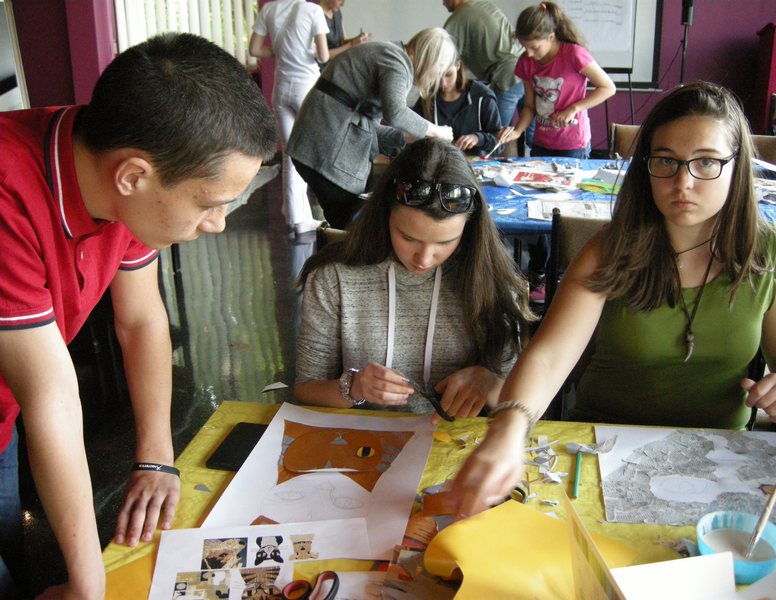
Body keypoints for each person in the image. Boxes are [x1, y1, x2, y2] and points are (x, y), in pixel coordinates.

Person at [0, 33, 276, 598]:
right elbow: (51, 394)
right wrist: (88, 584)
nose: (219, 223)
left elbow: (142, 320)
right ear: (132, 175)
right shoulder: (8, 192)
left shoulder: (120, 166)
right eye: (209, 203)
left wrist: (156, 457)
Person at [450, 81, 776, 516]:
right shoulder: (611, 248)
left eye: (706, 162)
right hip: (603, 453)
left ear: (737, 165)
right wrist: (508, 428)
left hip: (724, 461)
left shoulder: (767, 250)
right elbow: (550, 355)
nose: (683, 182)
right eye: (665, 161)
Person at [294, 138, 533, 418]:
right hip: (364, 435)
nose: (424, 259)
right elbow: (306, 388)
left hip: (458, 437)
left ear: (469, 229)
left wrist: (490, 384)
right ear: (385, 215)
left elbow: (522, 399)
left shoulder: (493, 283)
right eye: (408, 238)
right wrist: (354, 387)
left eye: (445, 242)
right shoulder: (333, 278)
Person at [287, 27, 456, 229]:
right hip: (324, 147)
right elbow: (396, 113)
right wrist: (437, 130)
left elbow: (371, 128)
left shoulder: (388, 55)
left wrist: (409, 137)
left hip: (315, 144)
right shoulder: (396, 61)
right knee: (353, 223)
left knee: (350, 221)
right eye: (440, 71)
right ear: (432, 60)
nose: (437, 78)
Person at [249, 0, 329, 236]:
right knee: (305, 152)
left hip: (282, 89)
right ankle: (299, 217)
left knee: (289, 153)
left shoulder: (269, 9)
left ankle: (293, 211)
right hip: (306, 88)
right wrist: (304, 51)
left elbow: (255, 49)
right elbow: (323, 55)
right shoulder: (313, 10)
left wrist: (282, 51)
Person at [499, 2, 616, 159]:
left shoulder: (574, 54)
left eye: (535, 47)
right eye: (525, 47)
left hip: (573, 144)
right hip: (541, 143)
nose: (529, 54)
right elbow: (530, 107)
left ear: (551, 37)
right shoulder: (525, 61)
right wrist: (517, 131)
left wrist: (573, 109)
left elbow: (608, 88)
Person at [442, 0, 526, 131]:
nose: (443, 3)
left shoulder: (456, 20)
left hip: (507, 76)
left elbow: (441, 58)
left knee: (495, 133)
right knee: (528, 132)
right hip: (527, 67)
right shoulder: (485, 5)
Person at [413, 58, 503, 157]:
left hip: (474, 163)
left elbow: (500, 144)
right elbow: (413, 134)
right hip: (439, 162)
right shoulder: (427, 98)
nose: (443, 83)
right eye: (436, 76)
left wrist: (478, 138)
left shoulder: (482, 96)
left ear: (458, 65)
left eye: (448, 74)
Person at [318, 0, 370, 68]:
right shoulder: (316, 16)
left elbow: (343, 40)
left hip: (339, 63)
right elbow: (322, 55)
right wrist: (352, 44)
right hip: (325, 68)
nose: (342, 4)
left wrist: (358, 40)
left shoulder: (337, 12)